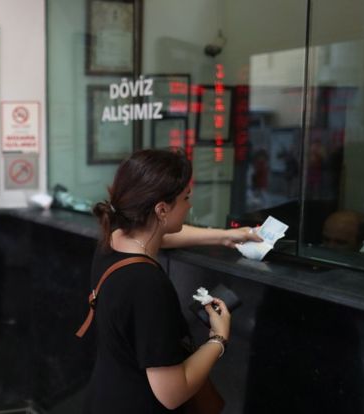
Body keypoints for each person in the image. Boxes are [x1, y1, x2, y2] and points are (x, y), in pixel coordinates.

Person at [84, 149, 261, 412]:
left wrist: (224, 236)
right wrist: (218, 338)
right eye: (185, 198)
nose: (190, 205)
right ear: (162, 209)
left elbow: (161, 235)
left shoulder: (113, 241)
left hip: (105, 394)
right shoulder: (147, 284)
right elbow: (172, 393)